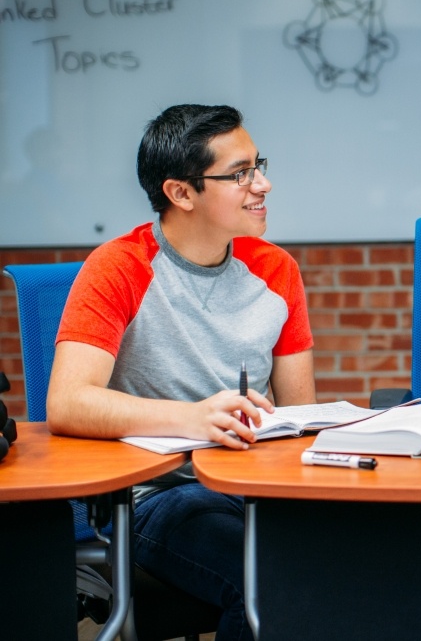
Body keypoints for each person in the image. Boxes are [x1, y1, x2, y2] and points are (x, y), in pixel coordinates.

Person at [46, 104, 315, 641]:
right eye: (240, 174)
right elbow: (68, 402)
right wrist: (193, 420)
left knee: (353, 566)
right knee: (272, 586)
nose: (263, 183)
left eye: (257, 165)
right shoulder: (119, 266)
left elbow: (298, 417)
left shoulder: (276, 270)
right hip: (153, 496)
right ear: (181, 193)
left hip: (251, 488)